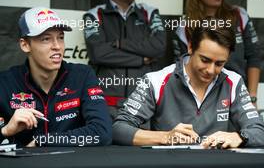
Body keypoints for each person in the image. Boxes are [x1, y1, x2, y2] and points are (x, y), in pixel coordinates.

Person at [112, 20, 264, 149]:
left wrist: (239, 137)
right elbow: (118, 129)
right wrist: (166, 137)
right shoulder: (156, 80)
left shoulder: (234, 82)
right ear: (190, 47)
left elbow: (259, 131)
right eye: (205, 60)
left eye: (219, 63)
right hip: (170, 164)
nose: (211, 70)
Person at [0, 7, 112, 147]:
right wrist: (5, 131)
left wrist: (45, 141)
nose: (57, 46)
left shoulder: (82, 76)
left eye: (60, 37)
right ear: (25, 45)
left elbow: (102, 132)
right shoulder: (5, 83)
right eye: (46, 39)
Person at [83, 0, 166, 119]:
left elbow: (159, 47)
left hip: (143, 104)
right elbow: (98, 54)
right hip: (106, 104)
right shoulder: (94, 14)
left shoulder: (149, 12)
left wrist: (121, 43)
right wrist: (141, 59)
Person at [173, 0, 263, 106]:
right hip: (202, 100)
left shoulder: (239, 15)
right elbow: (181, 69)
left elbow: (254, 56)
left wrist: (252, 97)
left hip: (236, 96)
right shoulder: (185, 27)